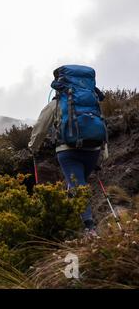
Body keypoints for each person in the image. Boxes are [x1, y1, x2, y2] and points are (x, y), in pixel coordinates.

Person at [28, 65, 107, 235]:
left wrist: (33, 147)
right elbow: (101, 123)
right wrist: (104, 152)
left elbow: (40, 128)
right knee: (78, 184)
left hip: (67, 150)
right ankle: (69, 218)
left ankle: (89, 228)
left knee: (77, 185)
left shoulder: (55, 104)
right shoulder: (92, 100)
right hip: (93, 149)